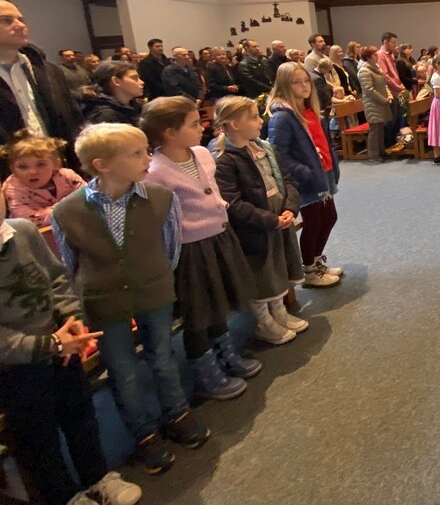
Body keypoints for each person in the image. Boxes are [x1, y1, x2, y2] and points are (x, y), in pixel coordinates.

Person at [52, 123, 210, 475]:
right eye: (136, 153)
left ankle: (177, 413)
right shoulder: (66, 211)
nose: (147, 158)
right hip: (104, 300)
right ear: (102, 164)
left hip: (153, 289)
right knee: (122, 370)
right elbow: (70, 263)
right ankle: (143, 432)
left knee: (163, 356)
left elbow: (170, 247)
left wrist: (155, 276)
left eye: (146, 150)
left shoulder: (160, 197)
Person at [0, 196, 144, 505]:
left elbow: (56, 280)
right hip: (15, 367)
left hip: (60, 345)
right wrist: (51, 343)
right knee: (38, 437)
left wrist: (72, 319)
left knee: (80, 414)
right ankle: (64, 496)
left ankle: (97, 476)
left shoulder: (22, 231)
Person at [141, 98, 258, 403]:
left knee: (218, 301)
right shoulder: (155, 172)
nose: (202, 127)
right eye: (193, 124)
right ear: (169, 132)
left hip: (218, 237)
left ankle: (226, 355)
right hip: (190, 250)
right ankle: (206, 373)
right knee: (198, 311)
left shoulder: (203, 154)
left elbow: (213, 191)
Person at [210, 97, 306, 346]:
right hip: (256, 226)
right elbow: (233, 204)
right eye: (253, 117)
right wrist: (270, 220)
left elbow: (287, 180)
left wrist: (290, 208)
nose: (260, 120)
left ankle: (279, 312)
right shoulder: (224, 159)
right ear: (234, 124)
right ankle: (264, 322)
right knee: (261, 274)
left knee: (278, 267)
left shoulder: (265, 148)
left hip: (278, 217)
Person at [267, 63, 343, 288]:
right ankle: (309, 270)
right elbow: (278, 153)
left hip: (323, 172)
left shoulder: (311, 110)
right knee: (314, 222)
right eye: (296, 82)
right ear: (285, 85)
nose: (304, 86)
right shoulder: (282, 117)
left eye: (306, 81)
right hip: (306, 178)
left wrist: (332, 163)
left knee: (329, 218)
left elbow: (322, 141)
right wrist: (305, 171)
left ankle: (316, 261)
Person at [0, 0, 84, 155]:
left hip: (58, 163)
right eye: (6, 20)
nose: (20, 25)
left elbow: (72, 120)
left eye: (21, 20)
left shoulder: (49, 71)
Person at [1, 131, 85, 230]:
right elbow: (29, 221)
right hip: (40, 235)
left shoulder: (67, 176)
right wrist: (65, 209)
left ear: (56, 164)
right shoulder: (12, 189)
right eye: (23, 167)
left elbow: (88, 197)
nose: (32, 172)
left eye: (41, 164)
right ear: (12, 169)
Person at [81, 60, 145, 126]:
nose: (142, 82)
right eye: (134, 78)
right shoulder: (105, 115)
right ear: (116, 81)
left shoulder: (133, 107)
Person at [358, 45, 393, 164]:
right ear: (368, 57)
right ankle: (373, 155)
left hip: (381, 102)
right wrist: (383, 99)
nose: (377, 56)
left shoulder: (376, 68)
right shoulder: (364, 71)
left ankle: (381, 151)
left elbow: (384, 84)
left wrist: (389, 95)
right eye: (374, 55)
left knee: (380, 128)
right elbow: (369, 90)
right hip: (372, 103)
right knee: (374, 129)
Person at [376, 32, 405, 151]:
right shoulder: (380, 55)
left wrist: (400, 85)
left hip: (397, 91)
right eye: (393, 42)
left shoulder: (390, 55)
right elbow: (385, 76)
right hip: (390, 93)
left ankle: (395, 144)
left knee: (398, 119)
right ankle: (388, 146)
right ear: (385, 42)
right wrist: (398, 87)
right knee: (390, 121)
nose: (395, 45)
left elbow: (395, 74)